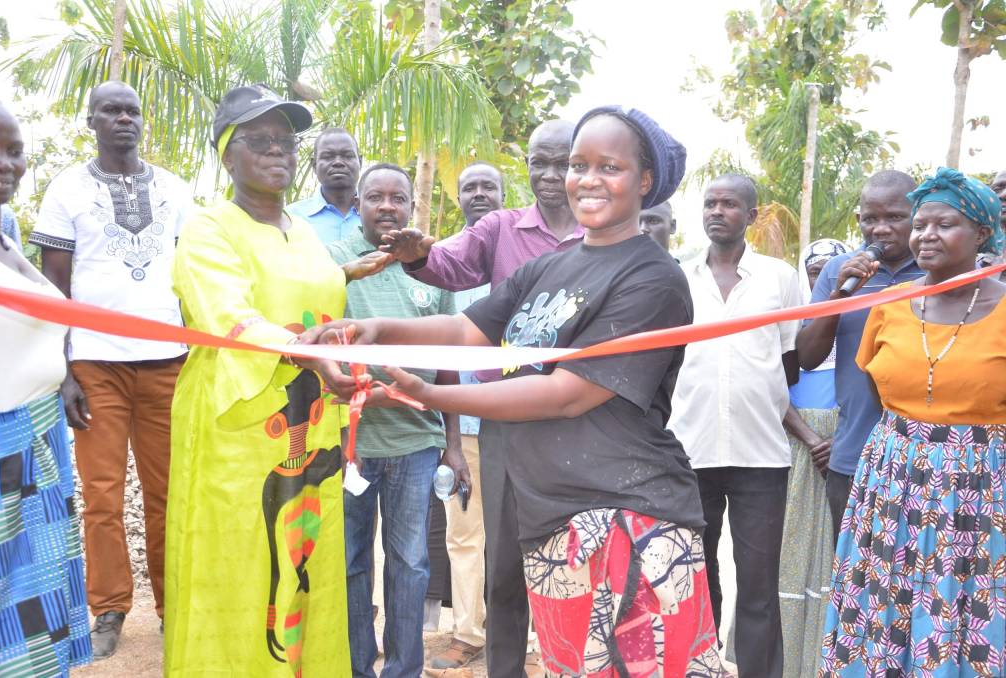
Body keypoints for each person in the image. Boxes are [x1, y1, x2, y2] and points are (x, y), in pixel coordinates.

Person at [301, 105, 729, 677]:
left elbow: (566, 394)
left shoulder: (653, 278)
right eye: (580, 164)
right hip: (554, 517)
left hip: (629, 521)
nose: (587, 179)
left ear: (644, 181)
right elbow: (465, 331)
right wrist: (373, 333)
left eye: (610, 167)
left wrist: (429, 396)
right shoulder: (551, 268)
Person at [164, 84, 386, 676]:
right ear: (227, 155)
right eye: (258, 141)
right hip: (238, 432)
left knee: (304, 563)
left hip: (312, 428)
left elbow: (295, 283)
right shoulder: (208, 229)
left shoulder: (303, 230)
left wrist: (350, 271)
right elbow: (230, 315)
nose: (277, 150)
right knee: (240, 564)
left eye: (286, 141)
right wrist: (310, 356)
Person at [380, 119, 583, 678]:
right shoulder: (501, 228)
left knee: (571, 552)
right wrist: (417, 254)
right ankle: (504, 666)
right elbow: (450, 264)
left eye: (561, 162)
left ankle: (565, 660)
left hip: (582, 419)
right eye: (538, 163)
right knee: (504, 563)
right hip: (507, 416)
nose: (548, 175)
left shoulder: (601, 233)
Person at [27, 80, 192, 657]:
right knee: (101, 493)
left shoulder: (174, 189)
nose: (124, 119)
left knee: (169, 493)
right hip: (95, 362)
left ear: (142, 121)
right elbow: (54, 287)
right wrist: (63, 368)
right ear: (90, 120)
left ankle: (177, 609)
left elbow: (191, 276)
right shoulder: (66, 188)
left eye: (132, 111)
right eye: (111, 111)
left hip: (168, 361)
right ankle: (109, 608)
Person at [819, 167, 1006, 674]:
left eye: (943, 225)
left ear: (982, 234)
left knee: (963, 604)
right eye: (920, 224)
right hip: (891, 479)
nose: (926, 235)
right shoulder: (889, 306)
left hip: (979, 486)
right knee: (885, 601)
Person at [325, 163, 463, 677]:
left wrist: (452, 443)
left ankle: (404, 669)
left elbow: (451, 361)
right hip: (349, 443)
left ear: (412, 207)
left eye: (398, 198)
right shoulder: (331, 265)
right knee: (351, 561)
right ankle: (356, 666)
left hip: (416, 444)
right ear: (356, 204)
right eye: (376, 197)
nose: (388, 206)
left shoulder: (434, 269)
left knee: (409, 563)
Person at [670, 173, 801, 678]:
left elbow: (789, 360)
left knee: (759, 581)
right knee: (696, 575)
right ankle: (699, 668)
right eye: (710, 203)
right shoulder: (677, 274)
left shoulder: (780, 277)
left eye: (729, 204)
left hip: (760, 454)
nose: (717, 211)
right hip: (688, 450)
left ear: (751, 215)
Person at [0, 92, 93, 676]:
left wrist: (65, 377)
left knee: (36, 602)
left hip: (39, 440)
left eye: (13, 151)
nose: (2, 163)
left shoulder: (7, 231)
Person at [795, 171, 924, 539]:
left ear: (918, 213)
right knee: (855, 578)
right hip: (853, 456)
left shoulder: (943, 272)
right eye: (870, 219)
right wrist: (840, 296)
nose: (880, 229)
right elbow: (807, 357)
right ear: (858, 220)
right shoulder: (839, 271)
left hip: (926, 458)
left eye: (895, 217)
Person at [426, 161, 506, 672]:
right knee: (464, 534)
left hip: (524, 422)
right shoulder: (443, 265)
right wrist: (450, 440)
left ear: (504, 195)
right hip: (466, 427)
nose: (479, 194)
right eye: (469, 187)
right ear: (458, 199)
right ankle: (470, 633)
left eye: (488, 186)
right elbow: (439, 355)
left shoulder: (526, 255)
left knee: (523, 534)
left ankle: (520, 634)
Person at [776, 238, 848, 677]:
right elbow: (773, 386)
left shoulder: (857, 321)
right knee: (793, 555)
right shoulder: (794, 325)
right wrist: (810, 438)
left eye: (832, 268)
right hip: (799, 453)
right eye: (816, 267)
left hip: (845, 452)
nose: (823, 275)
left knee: (836, 557)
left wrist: (838, 441)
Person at [288, 127, 362, 243]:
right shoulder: (291, 218)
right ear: (314, 165)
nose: (338, 162)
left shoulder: (381, 216)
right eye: (328, 156)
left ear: (360, 162)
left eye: (347, 155)